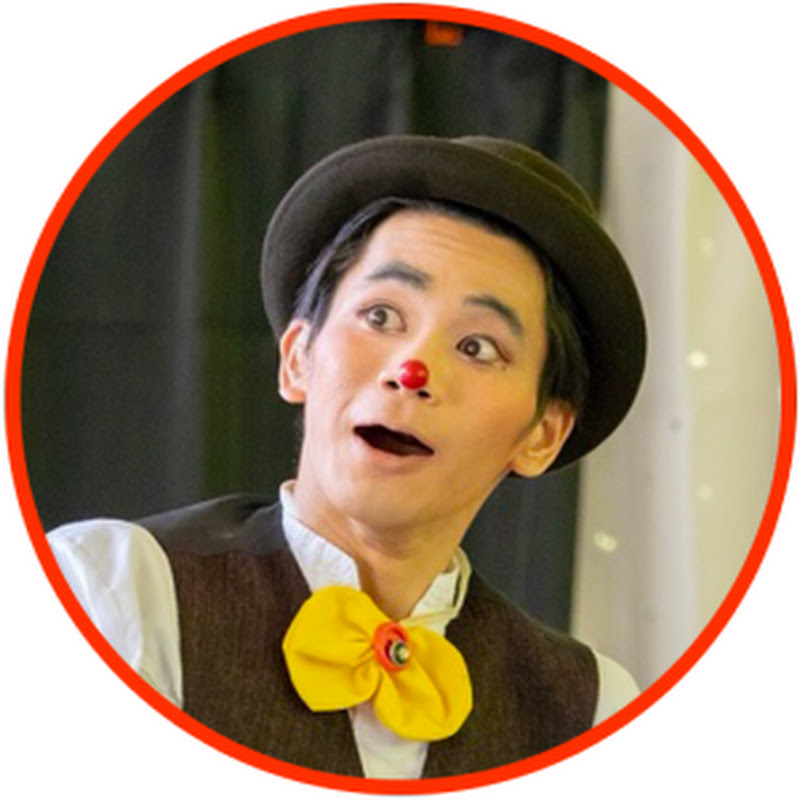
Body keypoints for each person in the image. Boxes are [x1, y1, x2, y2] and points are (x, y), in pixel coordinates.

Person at [48, 135, 646, 780]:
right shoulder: (109, 593)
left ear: (542, 435)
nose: (412, 370)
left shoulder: (593, 712)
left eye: (477, 347)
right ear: (298, 357)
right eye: (381, 316)